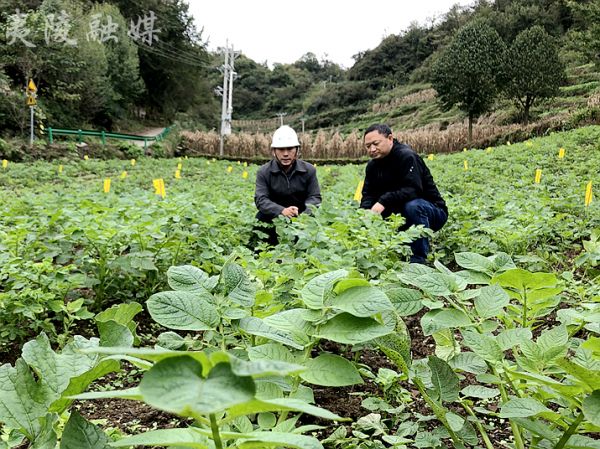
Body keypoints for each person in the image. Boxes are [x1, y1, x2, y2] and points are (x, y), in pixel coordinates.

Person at [359, 124, 448, 264]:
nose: (372, 149)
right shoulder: (372, 166)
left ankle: (418, 260)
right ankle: (384, 255)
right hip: (399, 214)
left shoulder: (406, 156)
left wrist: (382, 202)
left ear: (390, 138)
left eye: (375, 144)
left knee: (413, 206)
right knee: (367, 213)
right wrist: (364, 213)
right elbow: (368, 194)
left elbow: (413, 190)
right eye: (368, 146)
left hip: (431, 211)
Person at [254, 125, 321, 244]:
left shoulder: (309, 170)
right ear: (274, 151)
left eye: (290, 149)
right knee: (260, 222)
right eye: (281, 149)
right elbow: (261, 199)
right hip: (273, 218)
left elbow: (315, 198)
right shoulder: (264, 172)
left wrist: (303, 215)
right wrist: (281, 211)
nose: (285, 154)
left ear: (297, 150)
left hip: (301, 217)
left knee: (313, 233)